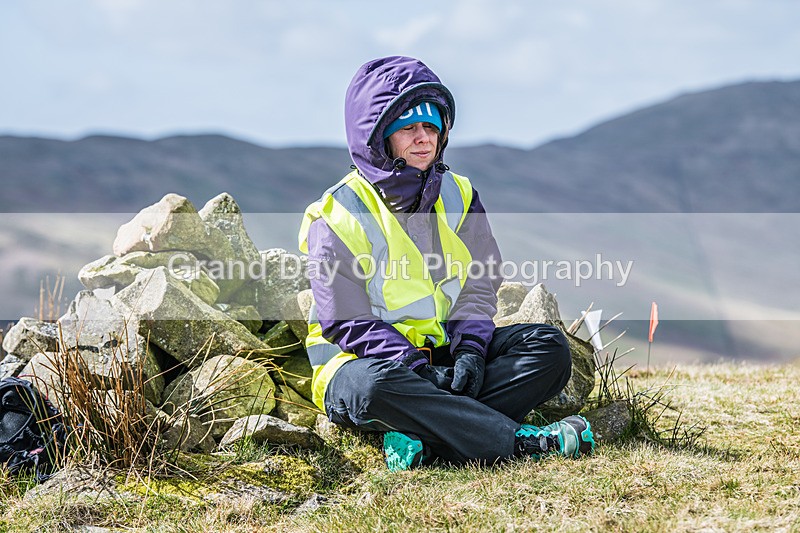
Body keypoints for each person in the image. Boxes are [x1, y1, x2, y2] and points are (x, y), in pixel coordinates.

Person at [298, 56, 594, 471]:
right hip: (365, 368)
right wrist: (414, 367)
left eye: (431, 126)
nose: (423, 139)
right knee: (374, 388)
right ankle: (519, 444)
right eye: (408, 127)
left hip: (446, 354)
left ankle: (425, 438)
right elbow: (344, 321)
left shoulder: (460, 194)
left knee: (548, 348)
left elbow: (481, 278)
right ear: (377, 136)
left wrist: (472, 348)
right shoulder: (337, 214)